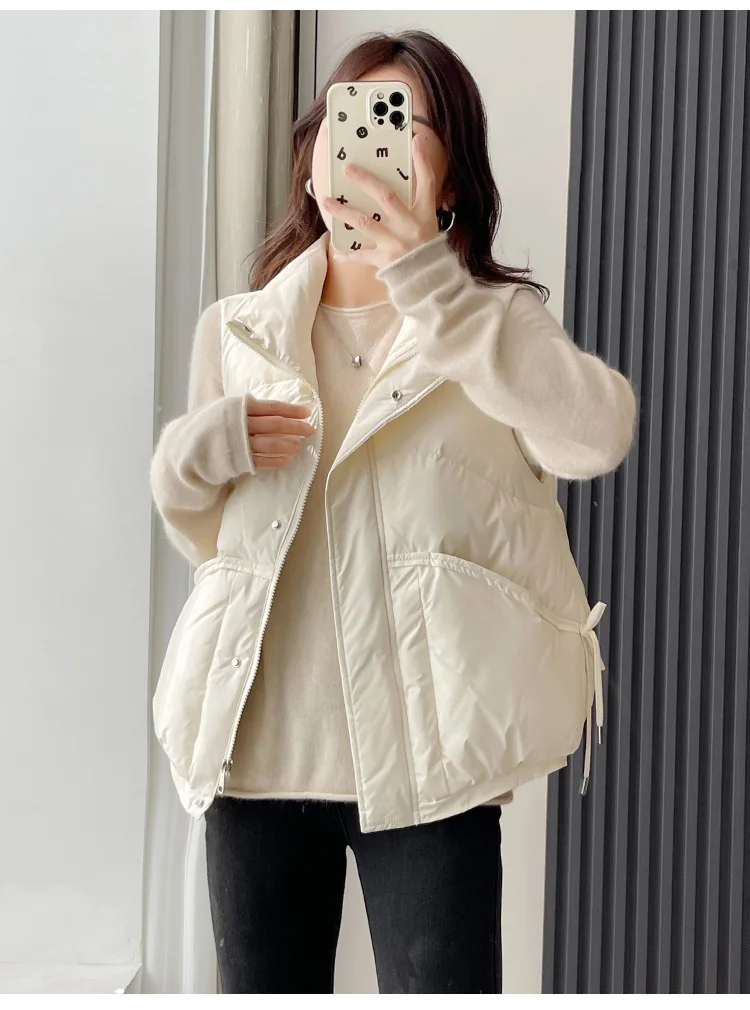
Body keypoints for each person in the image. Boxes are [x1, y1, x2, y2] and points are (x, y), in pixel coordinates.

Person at [150, 30, 638, 995]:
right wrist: (191, 456)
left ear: (450, 170)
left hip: (429, 769)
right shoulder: (237, 329)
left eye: (399, 124)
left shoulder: (492, 324)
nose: (365, 146)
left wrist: (434, 288)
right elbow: (207, 544)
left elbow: (596, 436)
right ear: (314, 153)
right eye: (350, 121)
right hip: (253, 758)